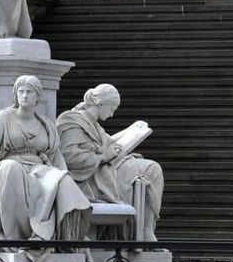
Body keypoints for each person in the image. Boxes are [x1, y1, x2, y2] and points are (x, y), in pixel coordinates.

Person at [0, 74, 91, 243]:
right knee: (10, 168)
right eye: (20, 91)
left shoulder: (45, 124)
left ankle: (56, 237)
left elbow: (57, 158)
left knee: (60, 179)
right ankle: (16, 239)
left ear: (38, 96)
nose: (24, 95)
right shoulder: (3, 118)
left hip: (39, 169)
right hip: (10, 165)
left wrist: (67, 180)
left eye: (29, 92)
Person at [57, 85, 164, 244]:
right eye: (111, 109)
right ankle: (145, 232)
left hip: (102, 170)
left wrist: (133, 129)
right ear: (100, 103)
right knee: (151, 169)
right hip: (87, 179)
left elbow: (110, 141)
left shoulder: (93, 124)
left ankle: (146, 230)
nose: (112, 114)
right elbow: (69, 157)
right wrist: (103, 157)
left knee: (151, 169)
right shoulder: (71, 120)